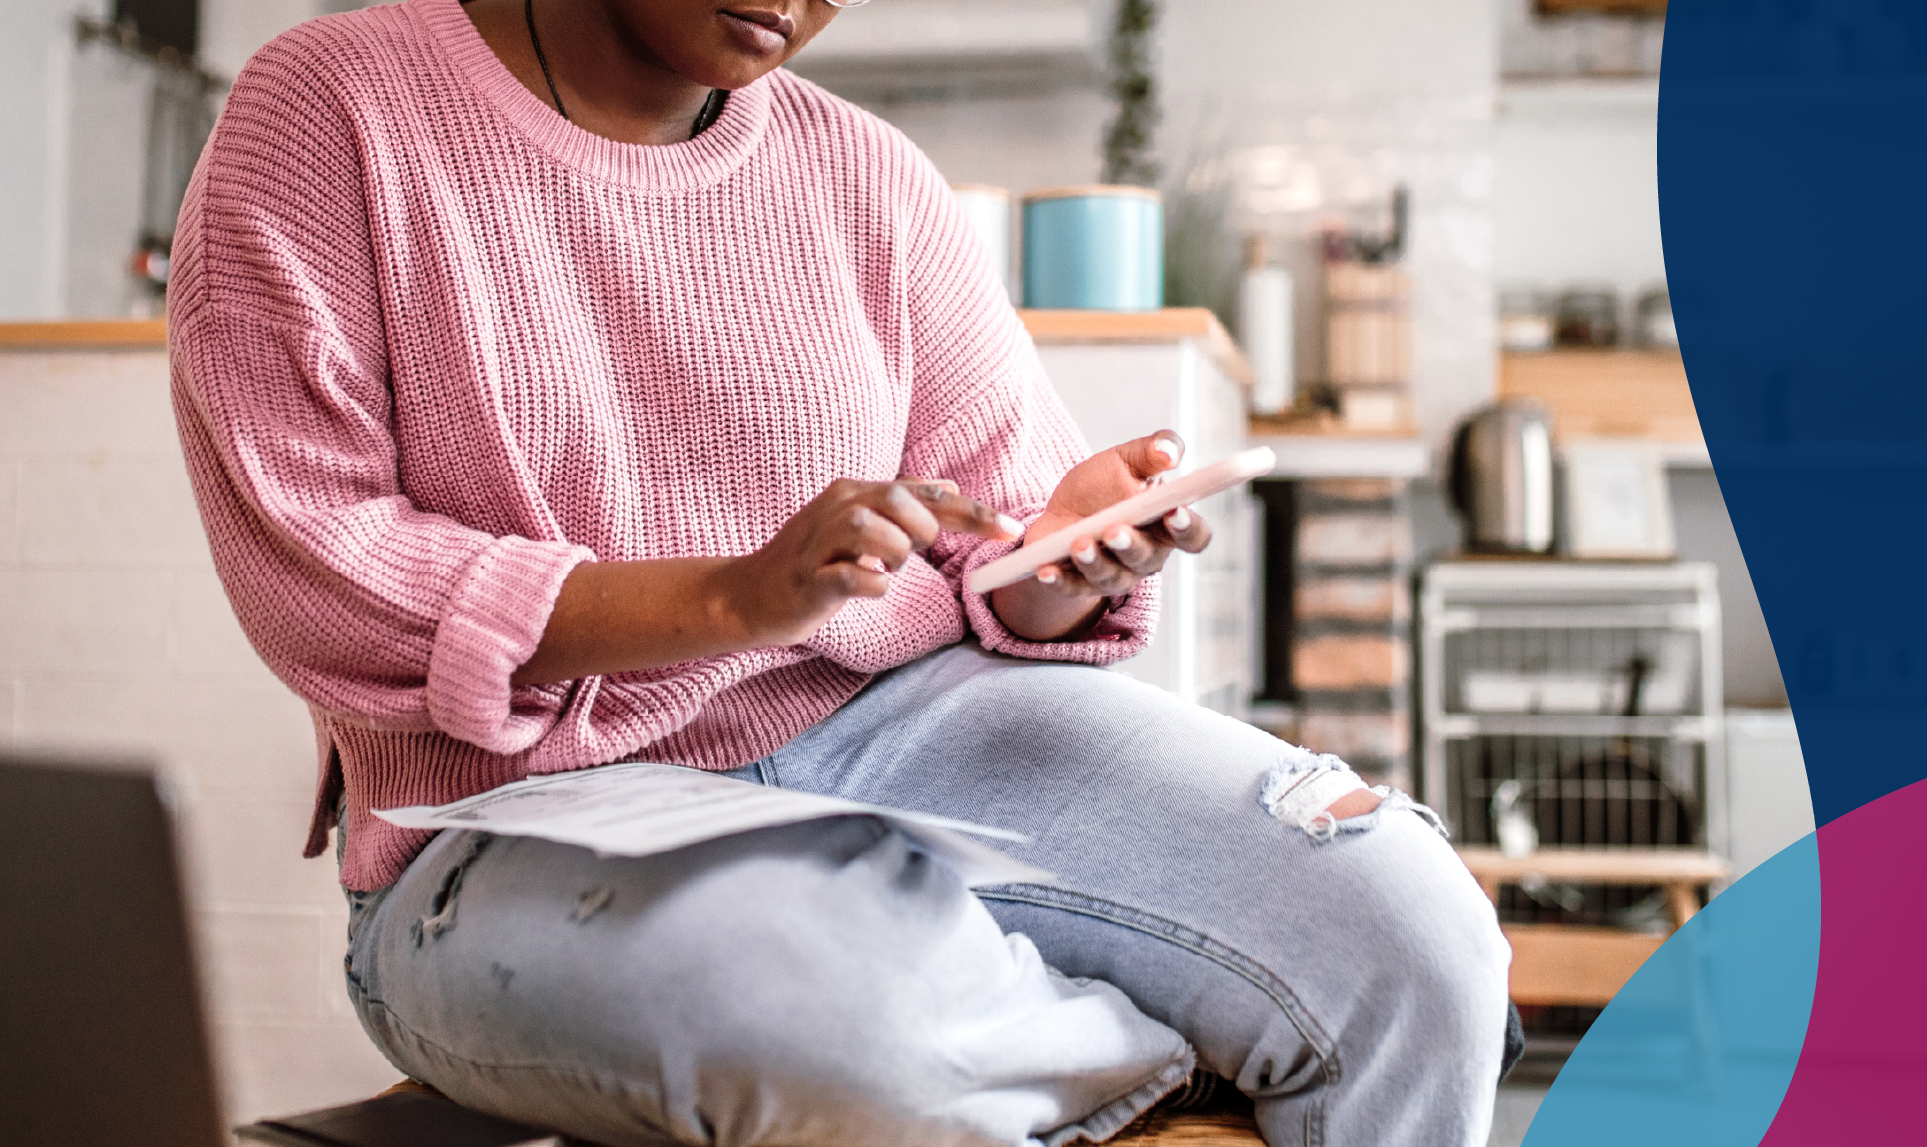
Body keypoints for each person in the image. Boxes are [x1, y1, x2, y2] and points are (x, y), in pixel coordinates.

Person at [167, 0, 1513, 1143]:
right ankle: (1127, 1038)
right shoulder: (331, 108)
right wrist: (732, 597)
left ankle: (1023, 1020)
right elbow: (323, 570)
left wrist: (1064, 558)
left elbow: (990, 559)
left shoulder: (868, 175)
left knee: (1408, 934)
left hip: (897, 735)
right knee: (836, 1013)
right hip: (507, 826)